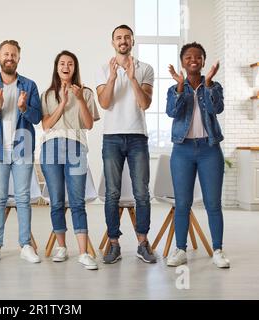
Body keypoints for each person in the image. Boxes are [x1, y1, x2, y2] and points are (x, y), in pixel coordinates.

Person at [96, 24, 157, 264]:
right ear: (113, 43)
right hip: (111, 137)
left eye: (127, 38)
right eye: (118, 38)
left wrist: (131, 78)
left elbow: (144, 104)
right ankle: (114, 244)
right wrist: (113, 78)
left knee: (142, 193)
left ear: (132, 42)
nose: (123, 41)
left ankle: (143, 243)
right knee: (112, 193)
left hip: (137, 137)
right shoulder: (103, 69)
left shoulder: (145, 69)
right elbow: (104, 102)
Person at [166, 42, 230, 268]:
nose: (193, 60)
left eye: (198, 57)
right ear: (183, 61)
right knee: (183, 203)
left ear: (203, 61)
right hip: (182, 150)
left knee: (213, 203)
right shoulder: (175, 88)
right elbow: (172, 112)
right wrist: (180, 86)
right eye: (188, 57)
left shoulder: (214, 86)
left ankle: (218, 250)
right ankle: (180, 249)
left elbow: (217, 109)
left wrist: (210, 83)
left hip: (209, 150)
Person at [0, 40, 42, 264]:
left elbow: (37, 118)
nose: (9, 58)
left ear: (18, 58)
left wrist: (24, 108)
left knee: (23, 199)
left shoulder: (30, 85)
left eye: (13, 55)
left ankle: (25, 245)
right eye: (6, 54)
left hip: (22, 149)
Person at [40, 50, 100, 270]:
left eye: (71, 64)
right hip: (51, 148)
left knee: (77, 201)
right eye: (62, 63)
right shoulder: (46, 95)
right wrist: (63, 103)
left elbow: (88, 124)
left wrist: (79, 99)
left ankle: (83, 253)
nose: (66, 67)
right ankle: (62, 247)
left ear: (75, 68)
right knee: (56, 200)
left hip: (76, 146)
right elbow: (46, 125)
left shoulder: (86, 92)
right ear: (57, 67)